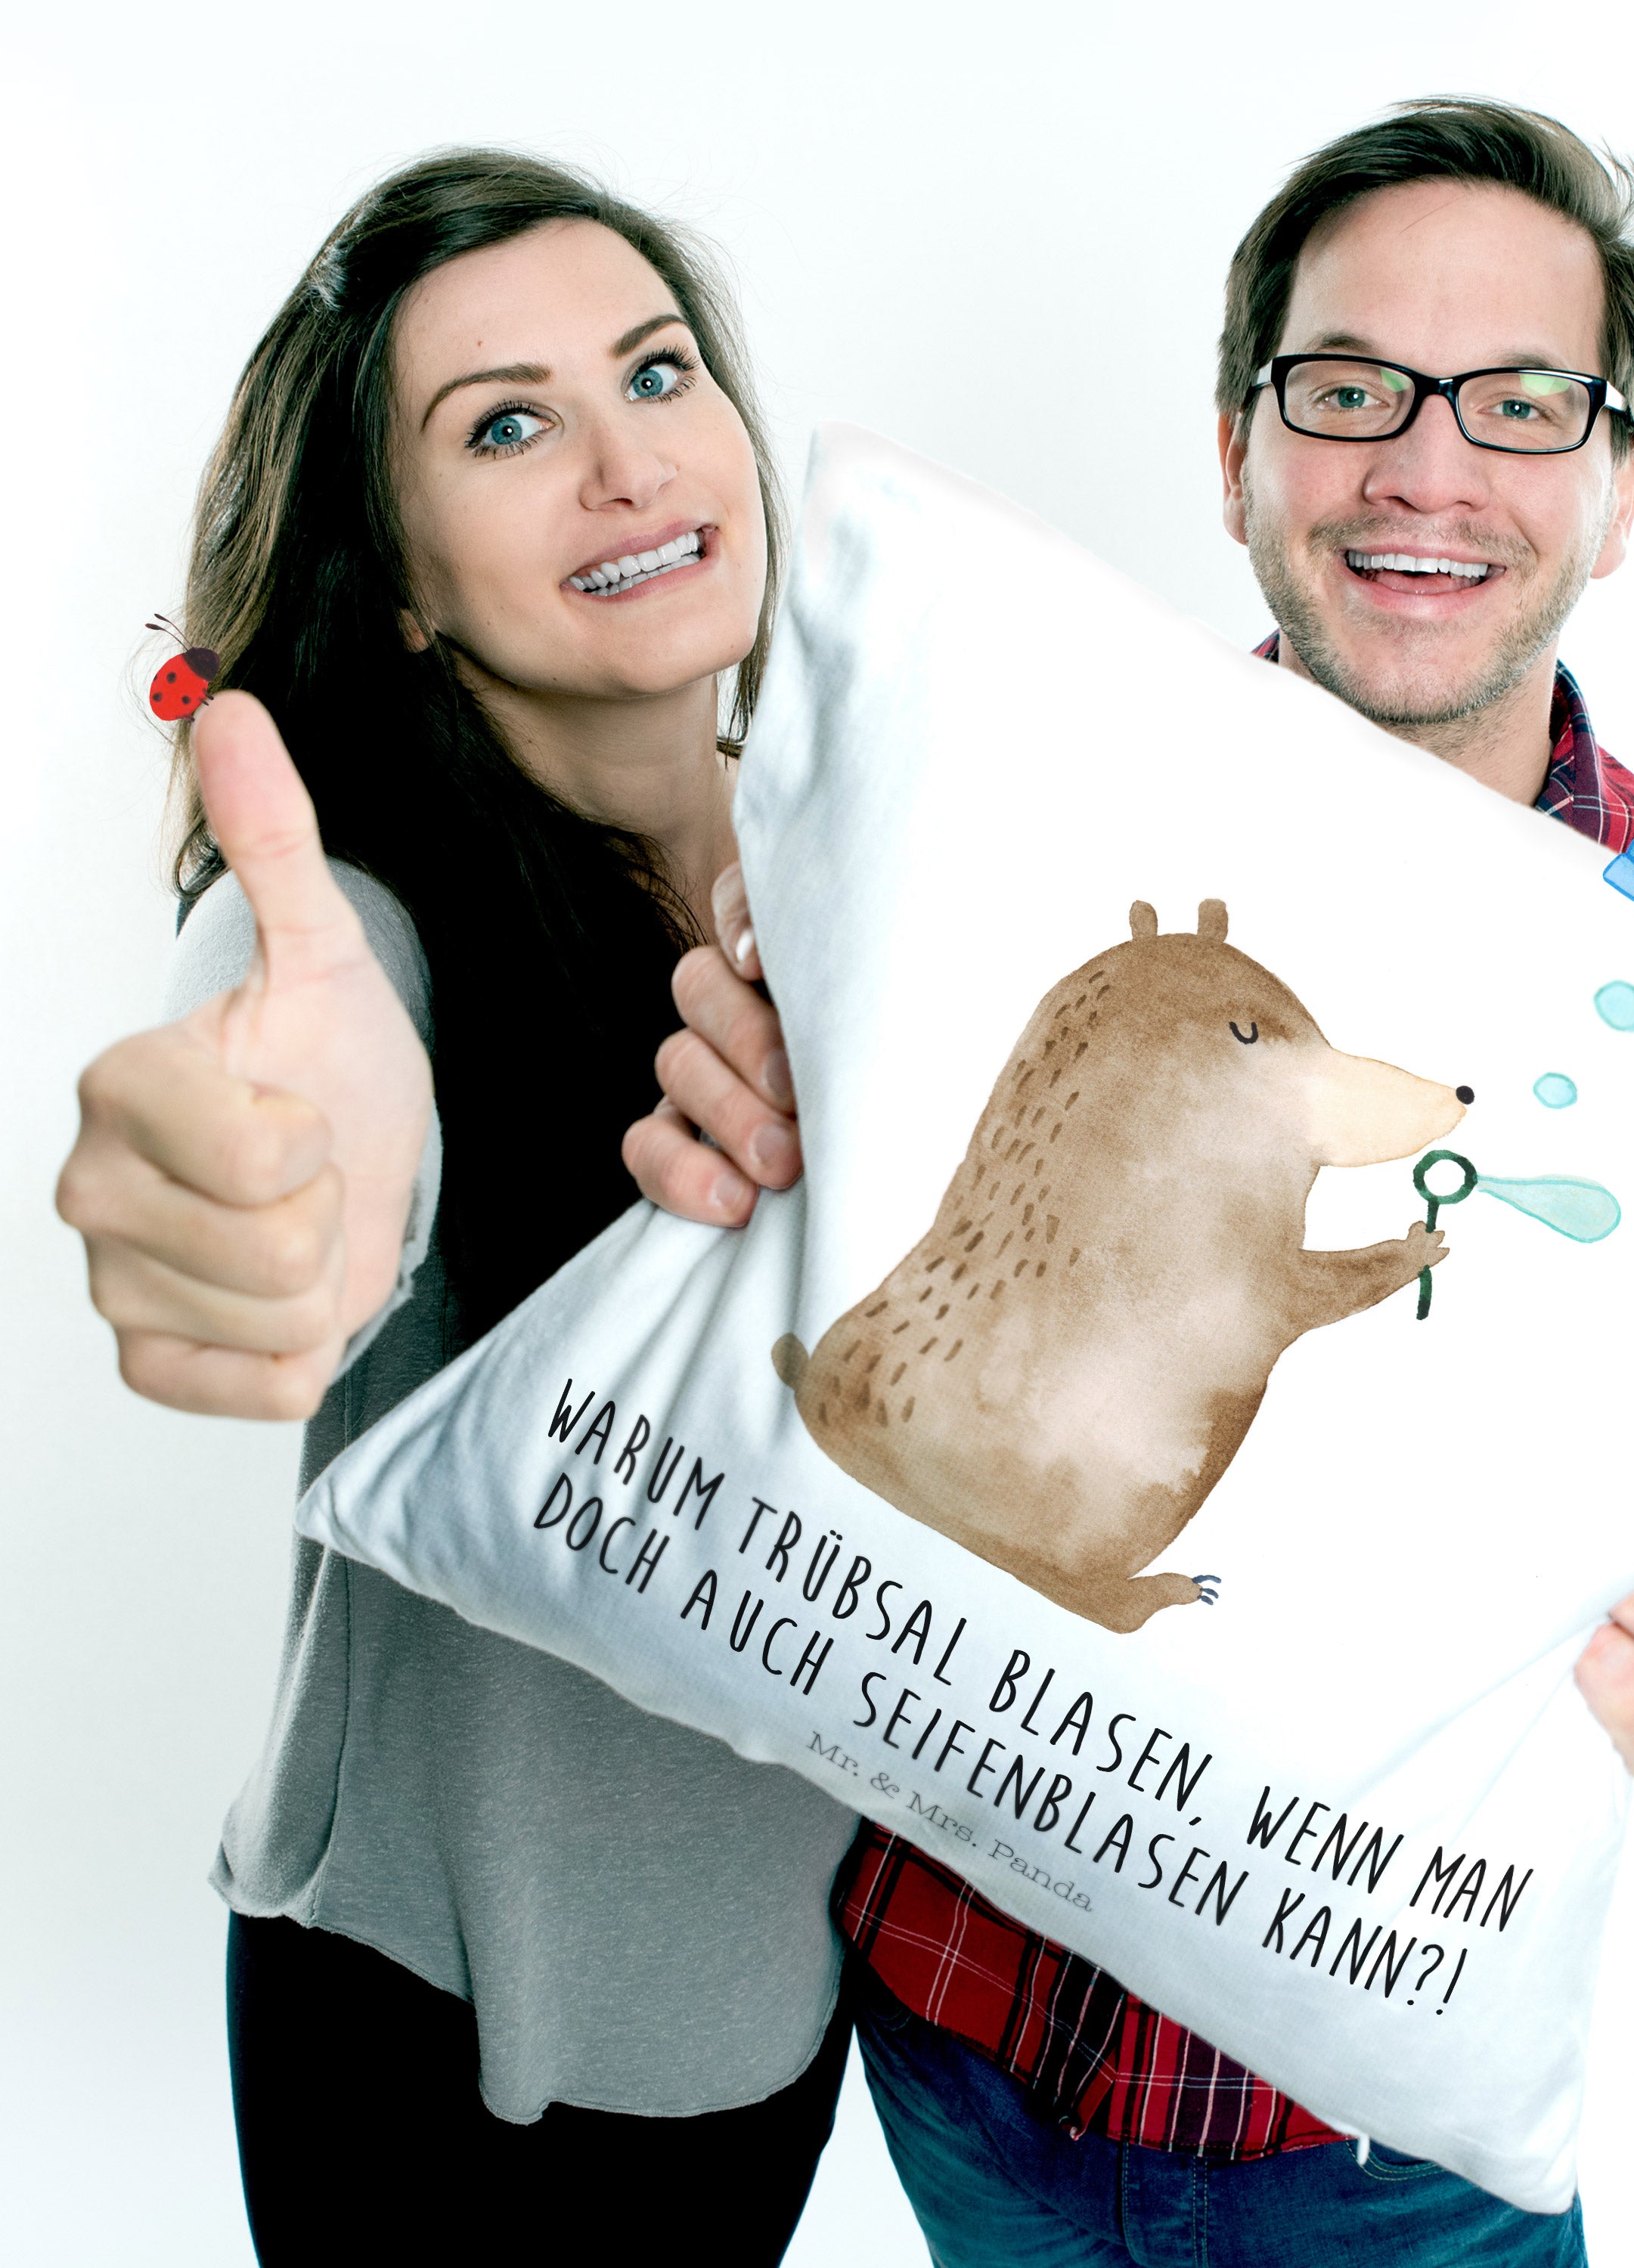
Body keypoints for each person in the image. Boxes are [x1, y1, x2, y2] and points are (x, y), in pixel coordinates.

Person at [626, 100, 1634, 2263]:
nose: (1428, 468)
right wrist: (731, 1130)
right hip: (950, 2043)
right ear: (1237, 450)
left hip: (1383, 2146)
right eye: (1350, 390)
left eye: (1522, 403)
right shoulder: (983, 826)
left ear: (1621, 490)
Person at [54, 153, 853, 2264]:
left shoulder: (855, 869)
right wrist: (262, 1178)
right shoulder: (363, 915)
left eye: (656, 374)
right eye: (506, 426)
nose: (626, 464)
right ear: (401, 584)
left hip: (777, 2004)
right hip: (446, 2042)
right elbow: (297, 1059)